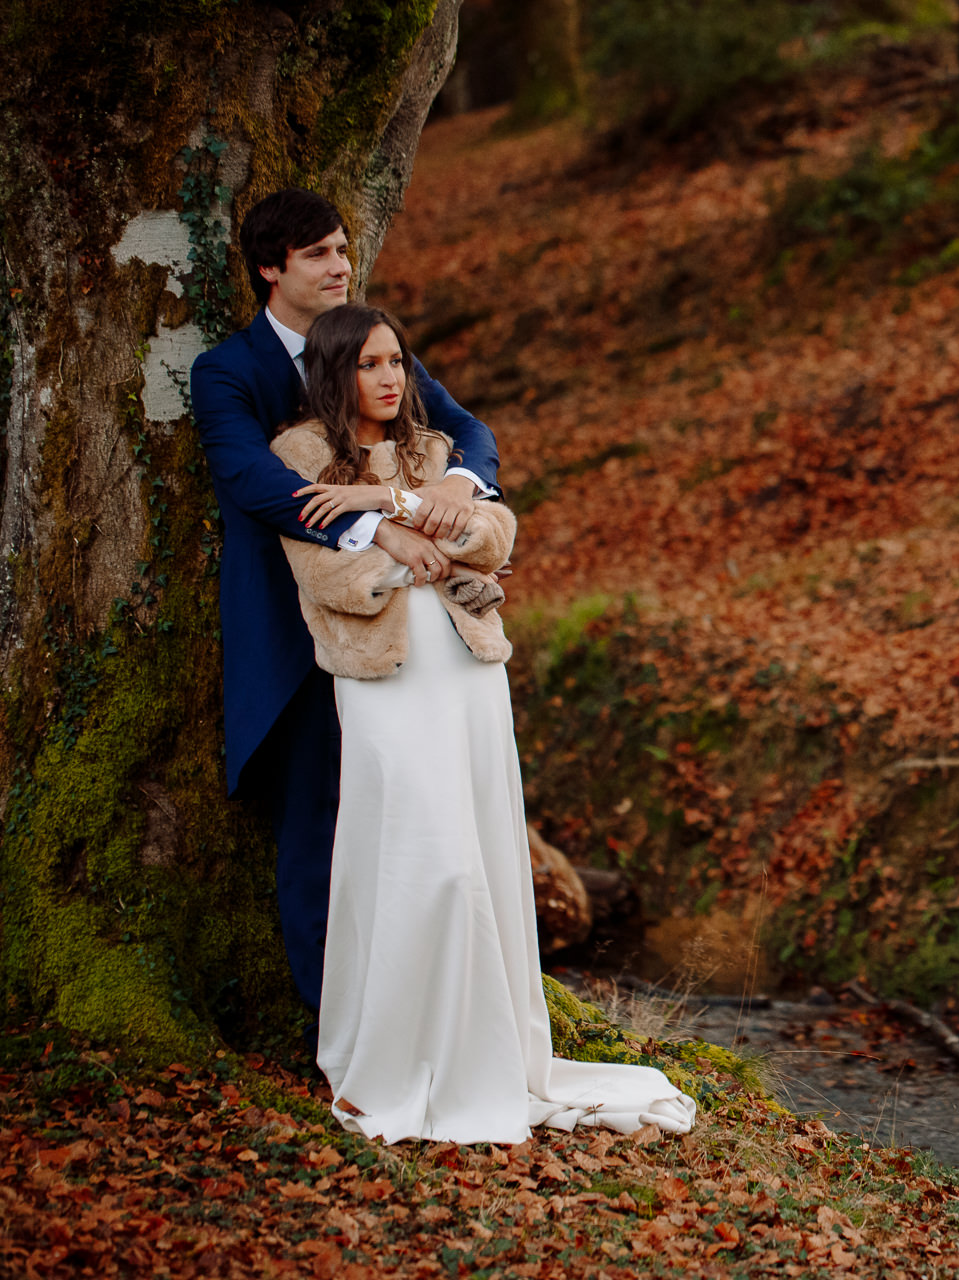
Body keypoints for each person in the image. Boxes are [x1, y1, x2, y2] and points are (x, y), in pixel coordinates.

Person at [270, 303, 696, 1143]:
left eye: (397, 361)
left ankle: (493, 1049)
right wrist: (405, 551)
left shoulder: (436, 449)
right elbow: (324, 573)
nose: (391, 378)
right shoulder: (296, 454)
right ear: (334, 372)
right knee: (421, 860)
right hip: (385, 677)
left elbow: (495, 533)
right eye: (369, 365)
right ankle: (400, 1056)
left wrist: (389, 508)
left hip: (467, 670)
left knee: (481, 856)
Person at [190, 190, 500, 1013]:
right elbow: (255, 481)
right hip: (292, 632)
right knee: (320, 829)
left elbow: (468, 434)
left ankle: (431, 1011)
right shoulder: (228, 369)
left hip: (409, 631)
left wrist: (445, 494)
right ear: (270, 268)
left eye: (342, 249)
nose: (339, 265)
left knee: (420, 822)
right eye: (319, 254)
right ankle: (339, 1032)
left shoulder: (373, 347)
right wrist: (374, 530)